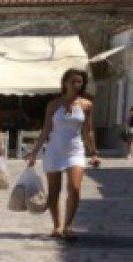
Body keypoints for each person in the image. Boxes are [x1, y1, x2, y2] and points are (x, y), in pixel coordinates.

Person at [26, 69, 99, 240]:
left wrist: (94, 153)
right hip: (54, 151)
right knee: (54, 191)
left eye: (79, 82)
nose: (76, 85)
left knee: (74, 188)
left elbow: (88, 131)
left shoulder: (86, 105)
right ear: (65, 83)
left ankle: (68, 226)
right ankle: (57, 225)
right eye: (72, 81)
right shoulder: (53, 105)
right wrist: (34, 153)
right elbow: (46, 130)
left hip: (75, 150)